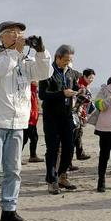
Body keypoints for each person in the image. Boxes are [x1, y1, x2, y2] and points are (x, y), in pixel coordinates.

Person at [0, 21, 51, 221]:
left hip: (18, 123)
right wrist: (15, 52)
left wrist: (42, 51)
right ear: (1, 37)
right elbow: (0, 72)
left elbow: (44, 73)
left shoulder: (25, 62)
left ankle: (9, 210)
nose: (17, 36)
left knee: (14, 170)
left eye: (20, 33)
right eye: (11, 33)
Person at [38, 44, 81, 195]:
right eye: (66, 60)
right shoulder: (47, 72)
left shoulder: (71, 73)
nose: (68, 63)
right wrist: (62, 93)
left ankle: (62, 175)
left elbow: (74, 88)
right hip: (51, 117)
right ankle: (52, 180)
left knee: (69, 148)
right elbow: (42, 95)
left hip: (67, 116)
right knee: (53, 149)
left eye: (70, 60)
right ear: (58, 57)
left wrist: (79, 93)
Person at [73, 68, 95, 161]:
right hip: (76, 114)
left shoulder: (83, 85)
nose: (91, 80)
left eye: (93, 78)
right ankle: (73, 158)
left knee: (78, 134)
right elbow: (80, 99)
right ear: (84, 76)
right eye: (90, 78)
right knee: (75, 135)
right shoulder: (80, 85)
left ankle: (80, 153)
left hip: (79, 113)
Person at [22, 81, 43, 163]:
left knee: (34, 138)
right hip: (28, 118)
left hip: (33, 118)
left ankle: (33, 156)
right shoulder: (28, 89)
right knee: (24, 139)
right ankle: (16, 158)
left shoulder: (34, 91)